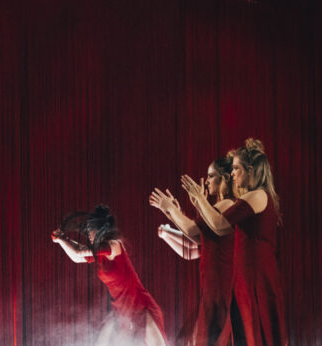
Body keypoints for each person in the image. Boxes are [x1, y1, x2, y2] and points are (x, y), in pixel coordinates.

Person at [181, 138, 287, 346]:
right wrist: (200, 203)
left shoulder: (257, 195)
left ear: (250, 170)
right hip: (245, 279)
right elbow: (216, 226)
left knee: (254, 336)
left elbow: (220, 225)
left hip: (256, 278)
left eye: (237, 169)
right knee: (242, 336)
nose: (233, 174)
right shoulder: (252, 197)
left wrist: (200, 200)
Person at [52, 205, 167, 346]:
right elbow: (78, 256)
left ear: (101, 230)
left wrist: (64, 239)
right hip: (121, 308)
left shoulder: (114, 246)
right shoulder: (99, 253)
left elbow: (79, 252)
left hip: (140, 305)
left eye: (91, 231)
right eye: (88, 231)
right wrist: (62, 240)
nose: (89, 234)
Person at [150, 156, 236, 346]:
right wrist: (171, 212)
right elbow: (195, 244)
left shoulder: (228, 204)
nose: (207, 181)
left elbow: (193, 232)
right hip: (214, 288)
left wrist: (171, 210)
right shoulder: (219, 207)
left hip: (221, 289)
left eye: (211, 176)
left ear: (225, 179)